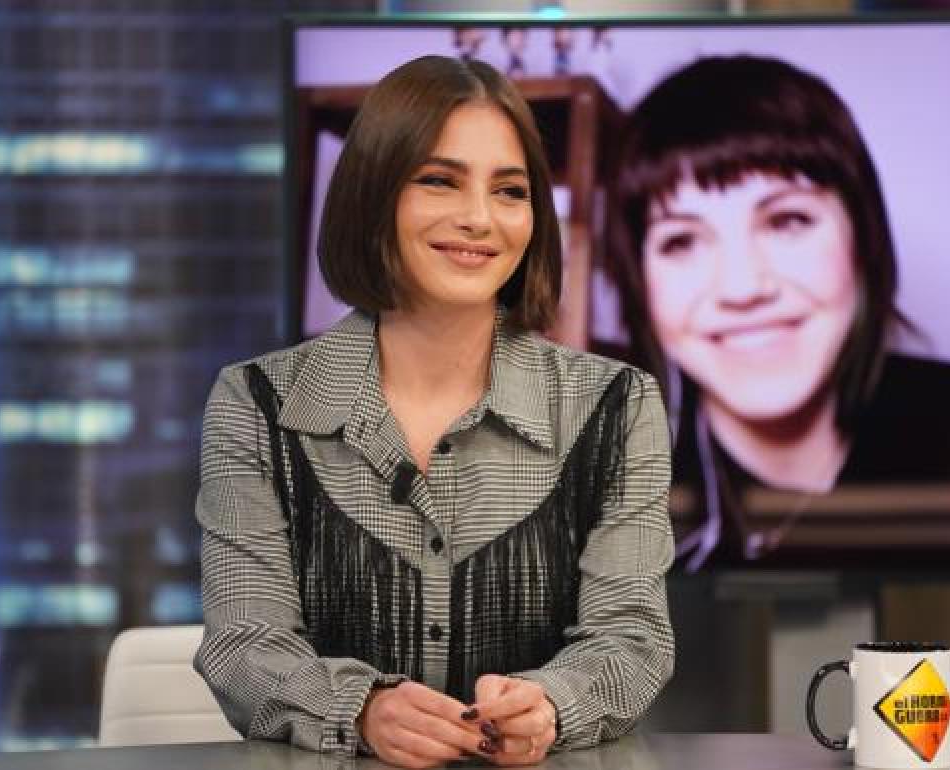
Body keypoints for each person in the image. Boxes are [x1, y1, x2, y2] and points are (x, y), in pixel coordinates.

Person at [194, 55, 674, 768]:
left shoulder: (616, 405)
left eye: (509, 191)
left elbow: (630, 640)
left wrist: (549, 705)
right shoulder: (256, 404)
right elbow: (245, 645)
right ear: (372, 195)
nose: (479, 219)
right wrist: (359, 710)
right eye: (439, 181)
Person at [606, 54, 950, 572]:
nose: (742, 287)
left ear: (862, 240)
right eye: (681, 241)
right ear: (640, 283)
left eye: (787, 221)